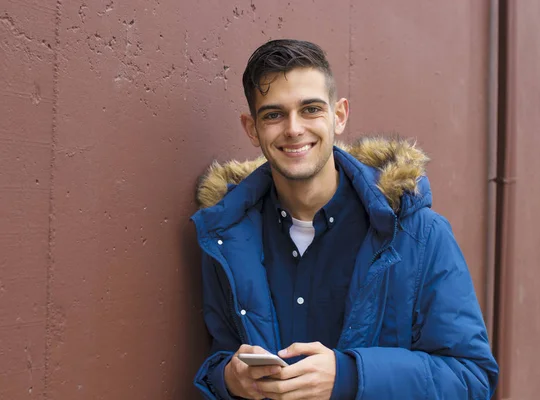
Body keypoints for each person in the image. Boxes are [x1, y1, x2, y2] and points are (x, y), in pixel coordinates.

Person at [190, 39, 498, 400]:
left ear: (339, 115)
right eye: (274, 114)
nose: (293, 129)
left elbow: (472, 378)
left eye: (310, 109)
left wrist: (350, 377)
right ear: (251, 128)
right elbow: (222, 352)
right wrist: (229, 378)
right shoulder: (228, 235)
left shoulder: (417, 233)